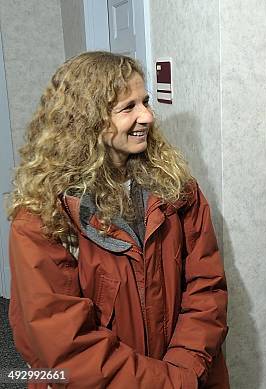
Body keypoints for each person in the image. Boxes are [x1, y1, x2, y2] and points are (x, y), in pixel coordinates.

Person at [7, 52, 229, 388]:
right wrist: (168, 383)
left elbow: (206, 287)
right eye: (128, 107)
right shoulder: (42, 217)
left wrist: (184, 370)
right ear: (86, 120)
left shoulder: (177, 188)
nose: (148, 116)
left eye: (145, 101)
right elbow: (63, 344)